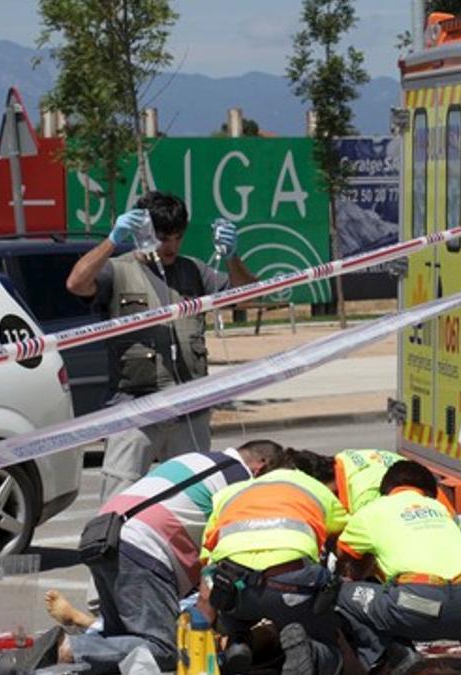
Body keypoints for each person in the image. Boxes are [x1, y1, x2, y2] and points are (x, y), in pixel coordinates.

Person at [66, 190, 258, 501]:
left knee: (194, 498)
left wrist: (233, 254)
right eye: (162, 236)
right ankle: (115, 550)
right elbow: (76, 283)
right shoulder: (118, 269)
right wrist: (113, 240)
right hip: (134, 410)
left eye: (177, 237)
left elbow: (247, 296)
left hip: (189, 410)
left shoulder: (193, 270)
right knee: (120, 499)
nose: (170, 246)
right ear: (144, 231)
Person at [42, 440, 286, 675]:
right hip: (142, 545)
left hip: (102, 534)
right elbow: (228, 557)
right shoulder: (241, 483)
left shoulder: (199, 458)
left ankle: (55, 652)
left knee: (119, 644)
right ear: (261, 466)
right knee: (165, 649)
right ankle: (66, 648)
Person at [335, 461, 461, 675]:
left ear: (386, 490)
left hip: (418, 608)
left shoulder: (372, 511)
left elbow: (344, 556)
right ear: (428, 493)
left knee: (339, 592)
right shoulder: (440, 508)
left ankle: (394, 655)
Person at [200, 454, 349, 675]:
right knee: (327, 639)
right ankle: (312, 652)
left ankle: (238, 643)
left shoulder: (230, 494)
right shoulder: (314, 489)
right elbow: (346, 538)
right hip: (291, 587)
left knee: (233, 609)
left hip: (237, 588)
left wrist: (209, 617)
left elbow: (207, 561)